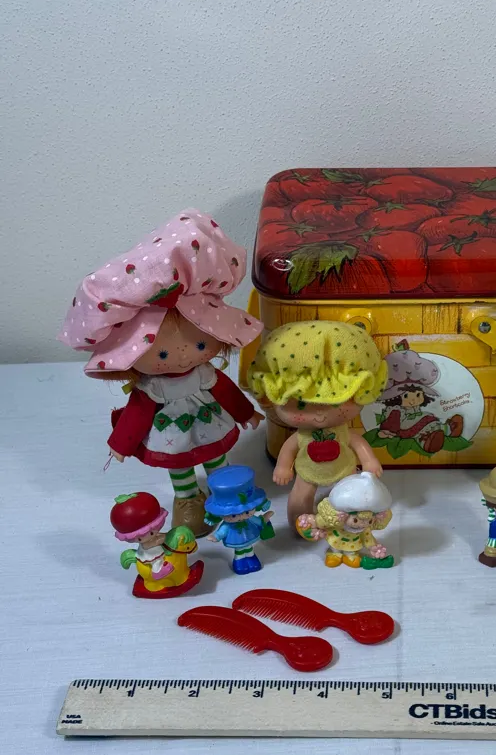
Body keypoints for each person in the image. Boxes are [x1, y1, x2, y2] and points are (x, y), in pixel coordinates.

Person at [60, 210, 265, 534]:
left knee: (217, 459)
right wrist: (121, 443)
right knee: (180, 467)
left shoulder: (204, 373)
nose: (183, 357)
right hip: (172, 434)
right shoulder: (152, 387)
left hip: (209, 422)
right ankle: (188, 500)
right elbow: (138, 412)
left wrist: (245, 412)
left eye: (201, 345)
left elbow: (225, 390)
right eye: (163, 354)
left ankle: (224, 490)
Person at [248, 320, 388, 528]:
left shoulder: (341, 431)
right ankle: (301, 525)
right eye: (301, 405)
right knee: (300, 497)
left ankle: (351, 523)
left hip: (345, 469)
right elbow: (290, 447)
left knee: (354, 496)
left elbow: (356, 442)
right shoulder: (301, 435)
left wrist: (369, 461)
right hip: (308, 472)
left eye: (336, 402)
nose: (319, 415)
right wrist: (283, 466)